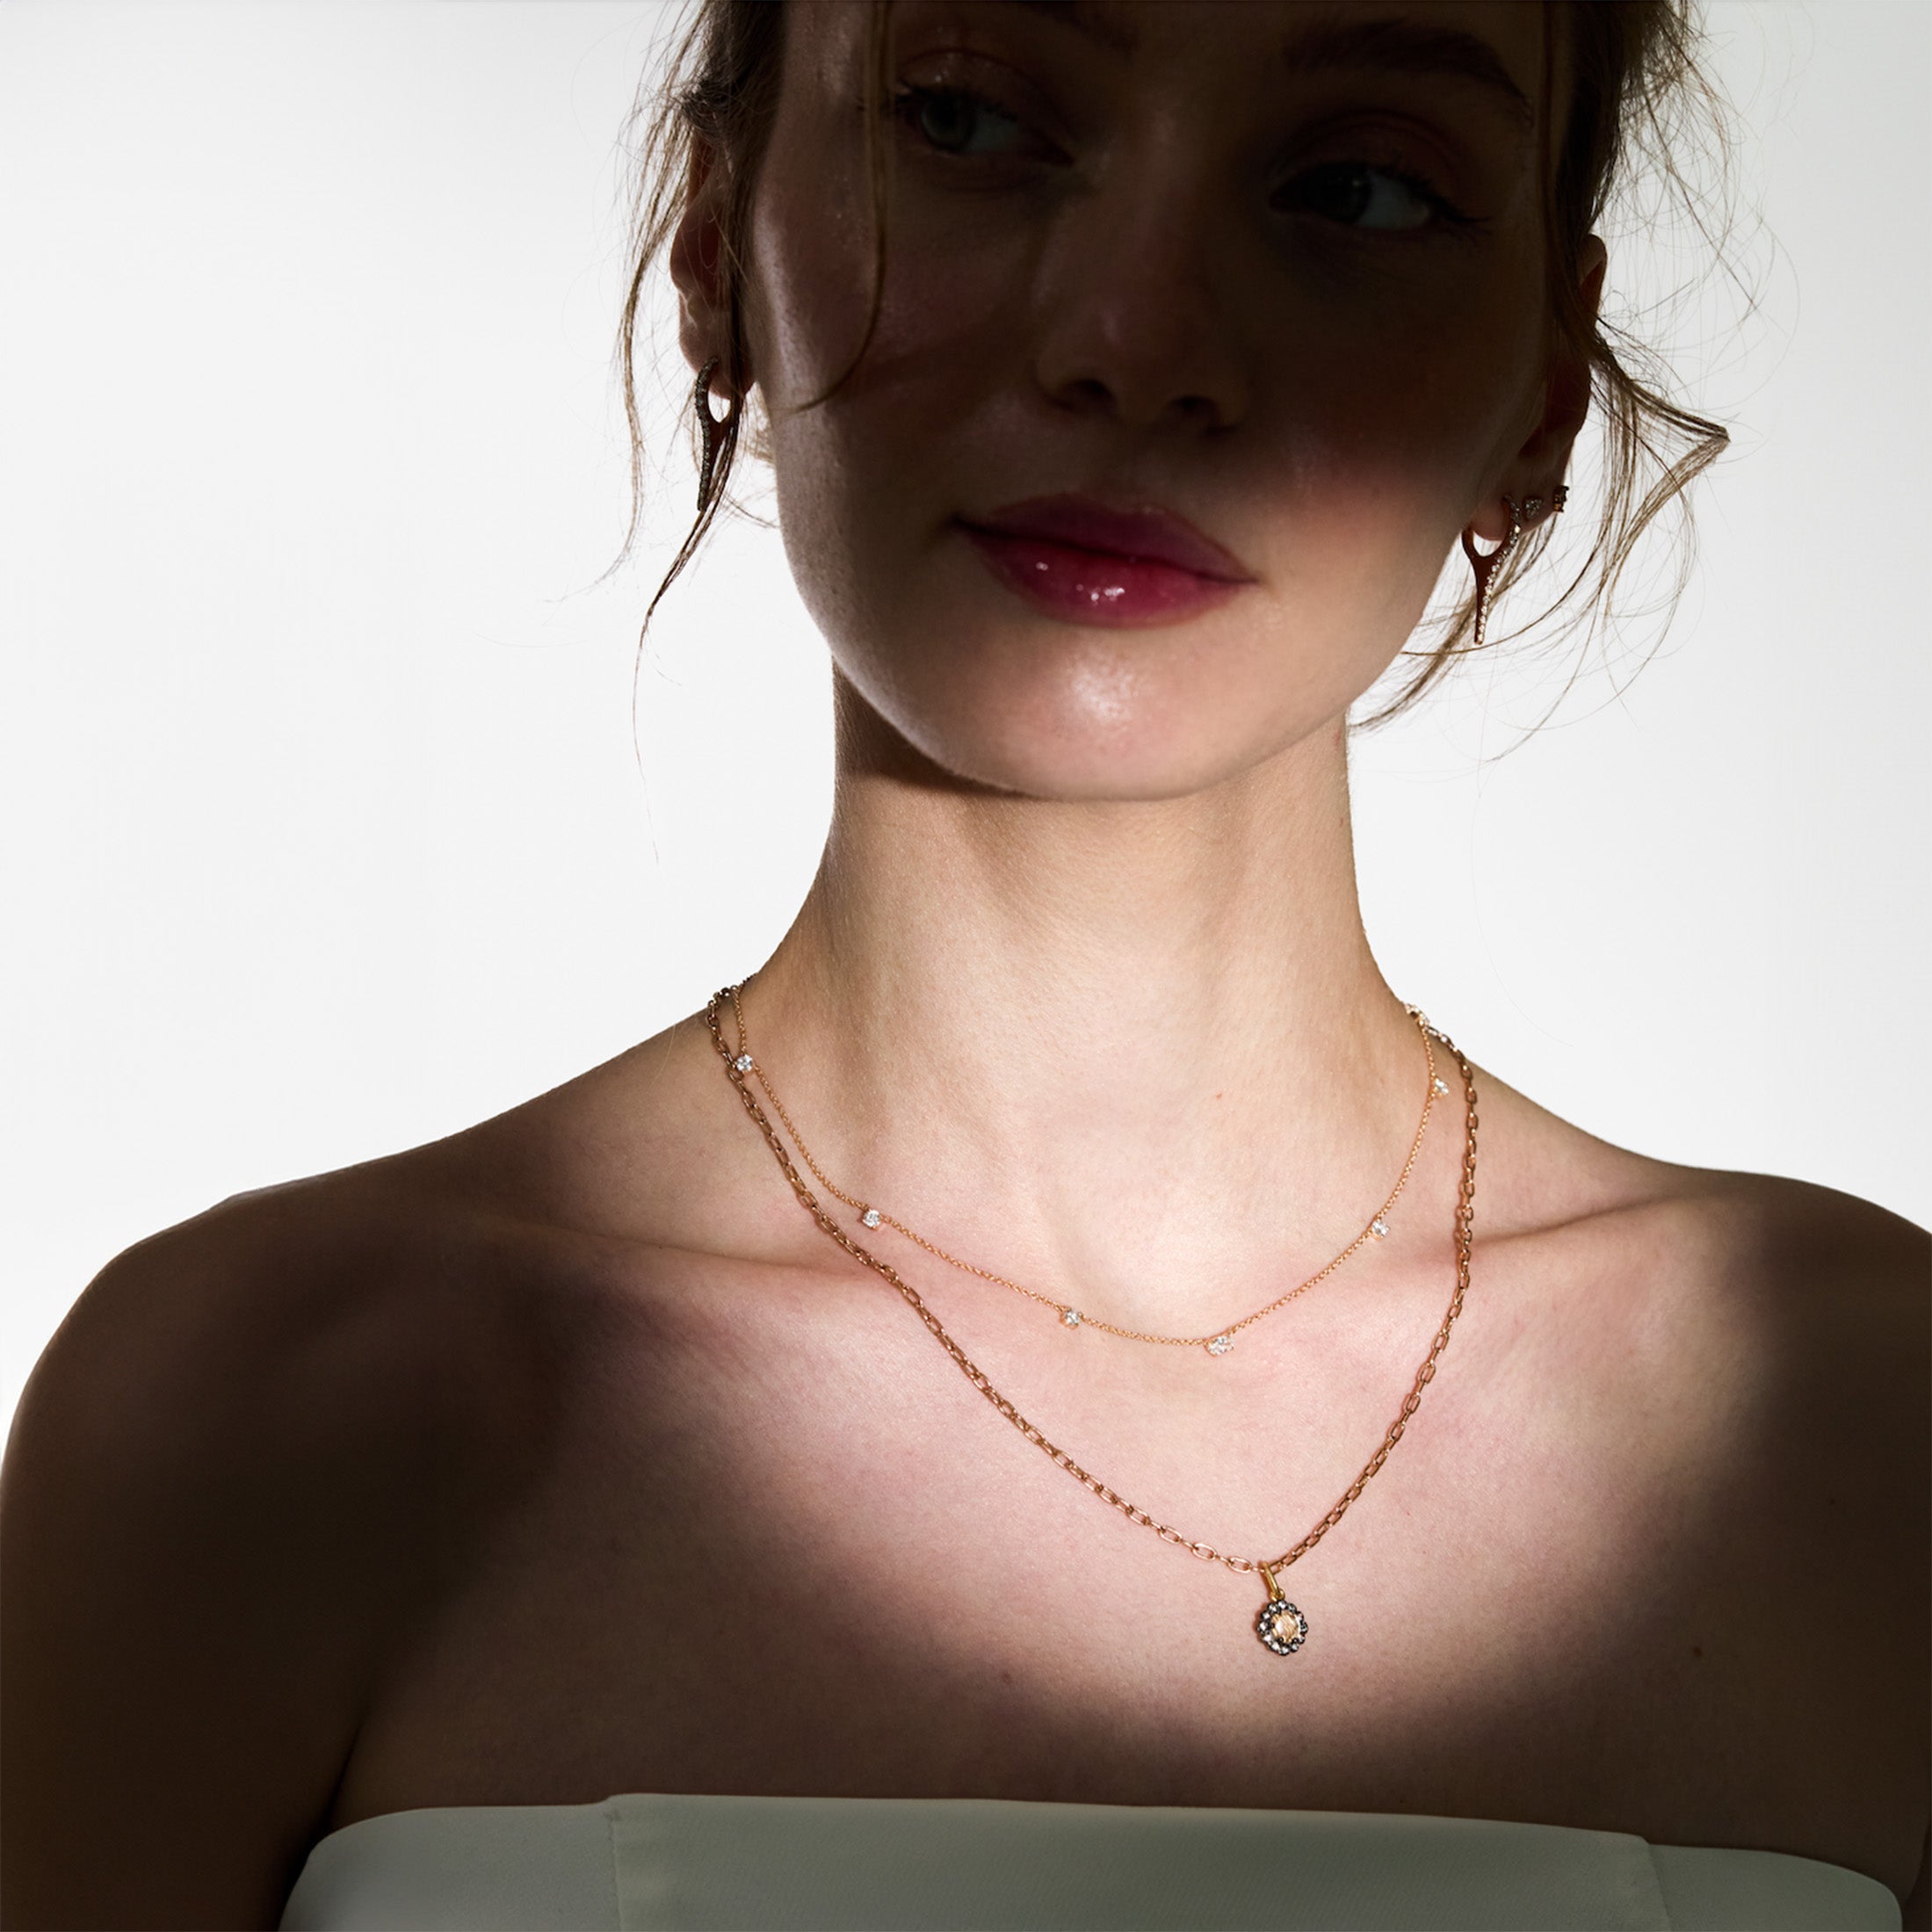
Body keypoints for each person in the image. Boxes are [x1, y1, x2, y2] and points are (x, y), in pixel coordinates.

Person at [3, 2, 1924, 1927]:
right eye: (968, 120)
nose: (1136, 342)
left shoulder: (1875, 1434)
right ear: (717, 243)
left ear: (1543, 389)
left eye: (1357, 188)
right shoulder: (263, 1427)